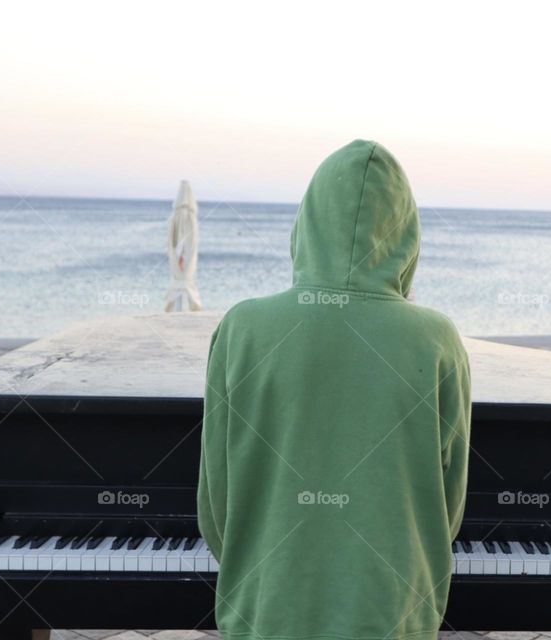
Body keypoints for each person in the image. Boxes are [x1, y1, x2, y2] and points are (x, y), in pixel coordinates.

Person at [198, 139, 472, 640]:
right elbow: (447, 507)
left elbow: (217, 500)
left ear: (307, 224)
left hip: (266, 615)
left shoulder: (242, 328)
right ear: (406, 236)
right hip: (395, 618)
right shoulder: (438, 339)